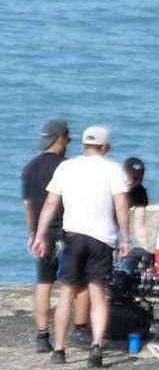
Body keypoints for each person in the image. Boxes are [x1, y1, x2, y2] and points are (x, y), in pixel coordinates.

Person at [31, 126, 130, 367]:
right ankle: (96, 346)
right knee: (97, 293)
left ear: (84, 145)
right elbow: (121, 205)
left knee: (67, 292)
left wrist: (40, 234)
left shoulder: (66, 167)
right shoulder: (113, 169)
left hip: (73, 236)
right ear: (105, 147)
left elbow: (51, 203)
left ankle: (59, 349)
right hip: (102, 239)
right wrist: (126, 238)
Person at [21, 119, 86, 353]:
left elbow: (28, 205)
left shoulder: (29, 168)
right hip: (69, 229)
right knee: (75, 283)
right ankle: (79, 330)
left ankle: (42, 335)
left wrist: (32, 233)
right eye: (67, 138)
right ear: (60, 139)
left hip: (43, 232)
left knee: (44, 283)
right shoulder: (67, 168)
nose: (68, 142)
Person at [122, 156, 151, 250]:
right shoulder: (115, 186)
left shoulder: (140, 192)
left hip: (129, 233)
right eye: (131, 177)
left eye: (137, 178)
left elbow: (140, 221)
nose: (132, 181)